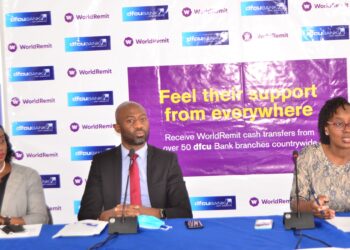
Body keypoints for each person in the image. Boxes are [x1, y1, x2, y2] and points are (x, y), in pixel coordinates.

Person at [78, 101, 192, 221]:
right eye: (130, 121)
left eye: (143, 119)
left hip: (156, 229)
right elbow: (85, 214)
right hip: (117, 229)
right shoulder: (102, 162)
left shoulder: (167, 160)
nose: (138, 125)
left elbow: (184, 211)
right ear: (117, 128)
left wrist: (154, 213)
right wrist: (107, 215)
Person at [290, 96, 350, 219]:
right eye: (339, 124)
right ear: (326, 129)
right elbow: (296, 202)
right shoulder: (309, 155)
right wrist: (311, 207)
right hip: (319, 228)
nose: (347, 129)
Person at [0, 125, 48, 225]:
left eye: (2, 141)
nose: (0, 147)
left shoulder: (28, 175)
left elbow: (40, 218)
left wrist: (6, 221)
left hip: (14, 239)